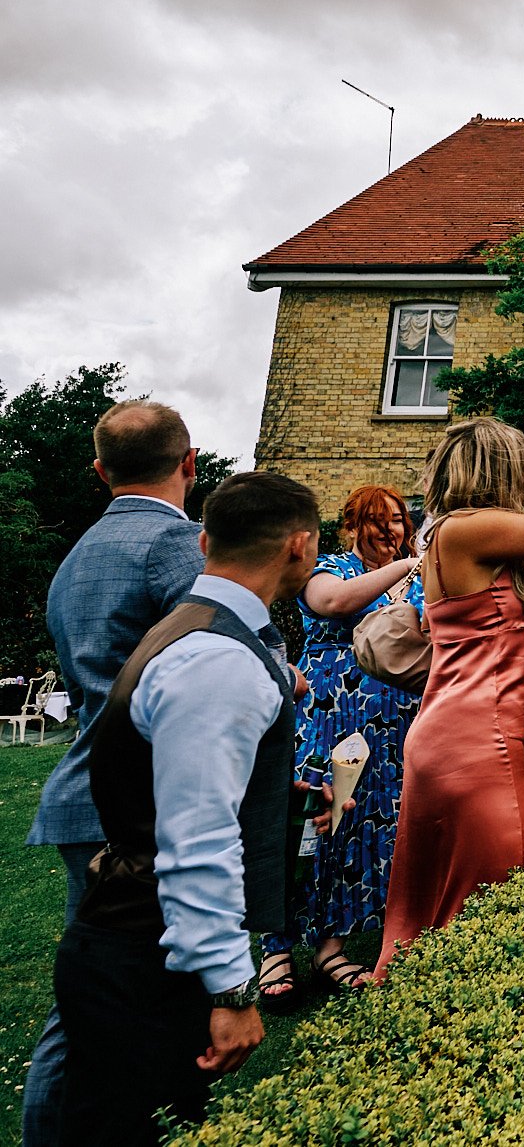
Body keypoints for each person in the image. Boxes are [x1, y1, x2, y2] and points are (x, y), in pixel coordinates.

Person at [52, 470, 322, 1145]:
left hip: (128, 937)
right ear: (300, 544)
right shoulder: (220, 659)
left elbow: (177, 778)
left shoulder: (195, 628)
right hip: (145, 961)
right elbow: (196, 840)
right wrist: (233, 990)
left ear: (205, 541)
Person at [23, 400, 205, 1146]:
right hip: (140, 805)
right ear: (190, 463)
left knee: (86, 999)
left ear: (100, 471)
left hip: (79, 792)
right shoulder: (174, 546)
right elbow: (203, 660)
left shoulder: (77, 557)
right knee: (127, 1004)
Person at [378, 415, 524, 974]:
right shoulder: (467, 529)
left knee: (461, 909)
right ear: (502, 472)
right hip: (476, 740)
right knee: (503, 903)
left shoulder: (454, 535)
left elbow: (476, 623)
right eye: (523, 470)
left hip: (462, 733)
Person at [257, 485, 420, 1004]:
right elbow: (333, 603)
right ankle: (276, 948)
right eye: (378, 520)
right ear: (352, 527)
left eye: (398, 518)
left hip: (392, 720)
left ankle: (332, 946)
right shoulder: (331, 568)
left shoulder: (417, 581)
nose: (391, 528)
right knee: (310, 820)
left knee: (366, 824)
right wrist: (409, 565)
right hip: (329, 712)